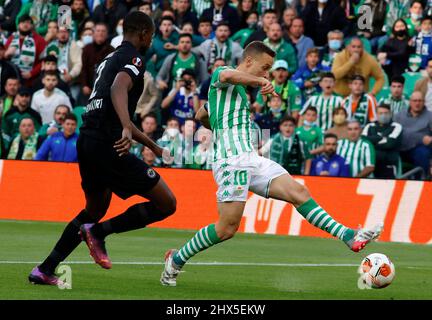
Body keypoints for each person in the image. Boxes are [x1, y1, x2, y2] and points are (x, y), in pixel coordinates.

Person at [160, 41, 383, 287]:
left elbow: (201, 115)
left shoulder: (235, 94)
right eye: (264, 68)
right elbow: (225, 74)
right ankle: (176, 259)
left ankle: (348, 235)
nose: (267, 74)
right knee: (226, 229)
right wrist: (259, 83)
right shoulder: (222, 74)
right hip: (230, 161)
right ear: (248, 61)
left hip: (252, 160)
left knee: (299, 192)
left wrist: (213, 119)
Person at [29, 12, 176, 287]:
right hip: (109, 145)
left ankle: (45, 268)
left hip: (88, 141)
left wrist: (154, 147)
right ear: (144, 34)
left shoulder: (108, 58)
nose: (151, 40)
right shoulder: (134, 58)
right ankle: (98, 233)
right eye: (152, 36)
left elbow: (114, 107)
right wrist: (123, 127)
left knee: (94, 209)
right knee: (167, 203)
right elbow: (119, 89)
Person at [394, 91, 432, 179]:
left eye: (420, 101)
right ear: (410, 102)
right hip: (400, 148)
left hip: (418, 149)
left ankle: (420, 181)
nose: (417, 103)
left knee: (422, 153)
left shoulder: (430, 116)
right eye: (415, 101)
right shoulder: (399, 116)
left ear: (424, 102)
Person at [362, 104, 403, 179]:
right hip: (370, 164)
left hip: (389, 164)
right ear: (376, 115)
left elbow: (390, 144)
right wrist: (382, 138)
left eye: (386, 113)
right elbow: (363, 142)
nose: (383, 115)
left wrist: (372, 142)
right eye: (380, 113)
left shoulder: (397, 126)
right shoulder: (369, 126)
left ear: (390, 114)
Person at [4, 14, 47, 86]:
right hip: (12, 80)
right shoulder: (11, 38)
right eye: (22, 22)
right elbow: (3, 56)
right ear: (18, 25)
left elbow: (44, 60)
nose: (25, 24)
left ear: (32, 26)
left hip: (31, 81)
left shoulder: (40, 40)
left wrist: (32, 73)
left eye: (28, 22)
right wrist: (6, 54)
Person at [79, 22, 114, 105]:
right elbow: (84, 68)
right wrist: (84, 85)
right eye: (98, 31)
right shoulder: (87, 49)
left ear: (107, 34)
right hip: (89, 87)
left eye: (103, 31)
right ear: (94, 33)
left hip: (105, 89)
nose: (100, 33)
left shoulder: (112, 50)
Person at [295, 106, 323, 174]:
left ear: (316, 117)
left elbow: (323, 146)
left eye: (313, 115)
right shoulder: (297, 130)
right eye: (308, 115)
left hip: (313, 159)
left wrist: (310, 152)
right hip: (298, 160)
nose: (310, 117)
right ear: (304, 116)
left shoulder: (319, 130)